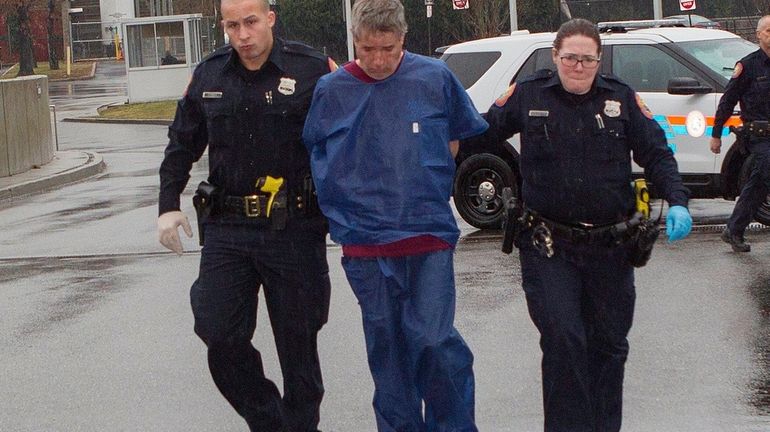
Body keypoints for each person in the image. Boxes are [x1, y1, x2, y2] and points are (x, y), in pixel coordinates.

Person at [475, 18, 692, 432]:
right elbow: (479, 135)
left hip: (611, 246)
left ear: (598, 60)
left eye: (587, 59)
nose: (578, 66)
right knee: (563, 339)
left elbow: (657, 154)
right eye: (570, 58)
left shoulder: (621, 99)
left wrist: (678, 200)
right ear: (555, 56)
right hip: (548, 244)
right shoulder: (528, 94)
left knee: (609, 345)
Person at [302, 0, 488, 430]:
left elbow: (456, 138)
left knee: (433, 340)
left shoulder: (434, 78)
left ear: (403, 39)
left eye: (388, 48)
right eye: (368, 49)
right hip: (365, 242)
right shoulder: (333, 90)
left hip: (427, 235)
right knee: (387, 348)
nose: (379, 60)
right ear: (355, 42)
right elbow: (316, 152)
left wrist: (425, 179)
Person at [156, 0, 335, 430]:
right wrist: (167, 205)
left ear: (270, 19)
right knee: (217, 331)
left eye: (251, 22)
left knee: (298, 348)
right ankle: (272, 421)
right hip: (229, 227)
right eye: (232, 25)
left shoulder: (312, 69)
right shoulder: (210, 74)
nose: (242, 35)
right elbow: (182, 142)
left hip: (293, 228)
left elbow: (349, 133)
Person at [710, 15, 770, 253]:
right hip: (759, 135)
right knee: (764, 171)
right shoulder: (748, 66)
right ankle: (734, 229)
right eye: (768, 31)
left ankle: (733, 229)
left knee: (759, 182)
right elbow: (727, 101)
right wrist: (716, 134)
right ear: (758, 35)